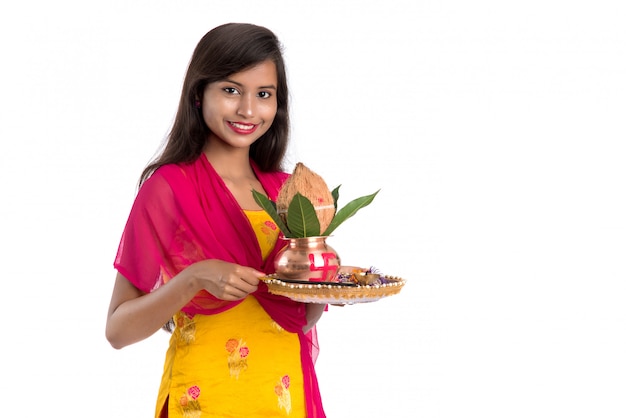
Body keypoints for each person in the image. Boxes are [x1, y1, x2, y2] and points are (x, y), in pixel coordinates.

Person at [105, 23, 327, 418]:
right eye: (230, 90)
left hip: (281, 398)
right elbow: (118, 331)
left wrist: (322, 287)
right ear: (197, 94)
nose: (247, 110)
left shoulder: (287, 192)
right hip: (204, 399)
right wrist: (193, 279)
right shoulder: (169, 189)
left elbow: (298, 320)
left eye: (263, 94)